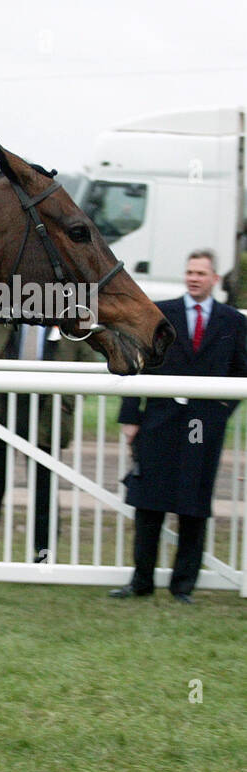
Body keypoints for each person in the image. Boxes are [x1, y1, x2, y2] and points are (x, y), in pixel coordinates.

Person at [110, 250, 247, 602]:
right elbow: (136, 360)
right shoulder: (161, 314)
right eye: (189, 271)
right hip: (158, 421)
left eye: (201, 273)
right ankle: (140, 582)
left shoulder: (232, 321)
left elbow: (241, 372)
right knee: (148, 503)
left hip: (203, 426)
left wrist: (220, 412)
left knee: (194, 505)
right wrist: (130, 417)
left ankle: (182, 587)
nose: (194, 277)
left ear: (215, 279)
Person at [0, 323, 93, 562]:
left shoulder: (67, 323)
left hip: (47, 414)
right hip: (1, 410)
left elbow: (89, 364)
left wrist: (66, 401)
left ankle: (44, 552)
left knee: (44, 488)